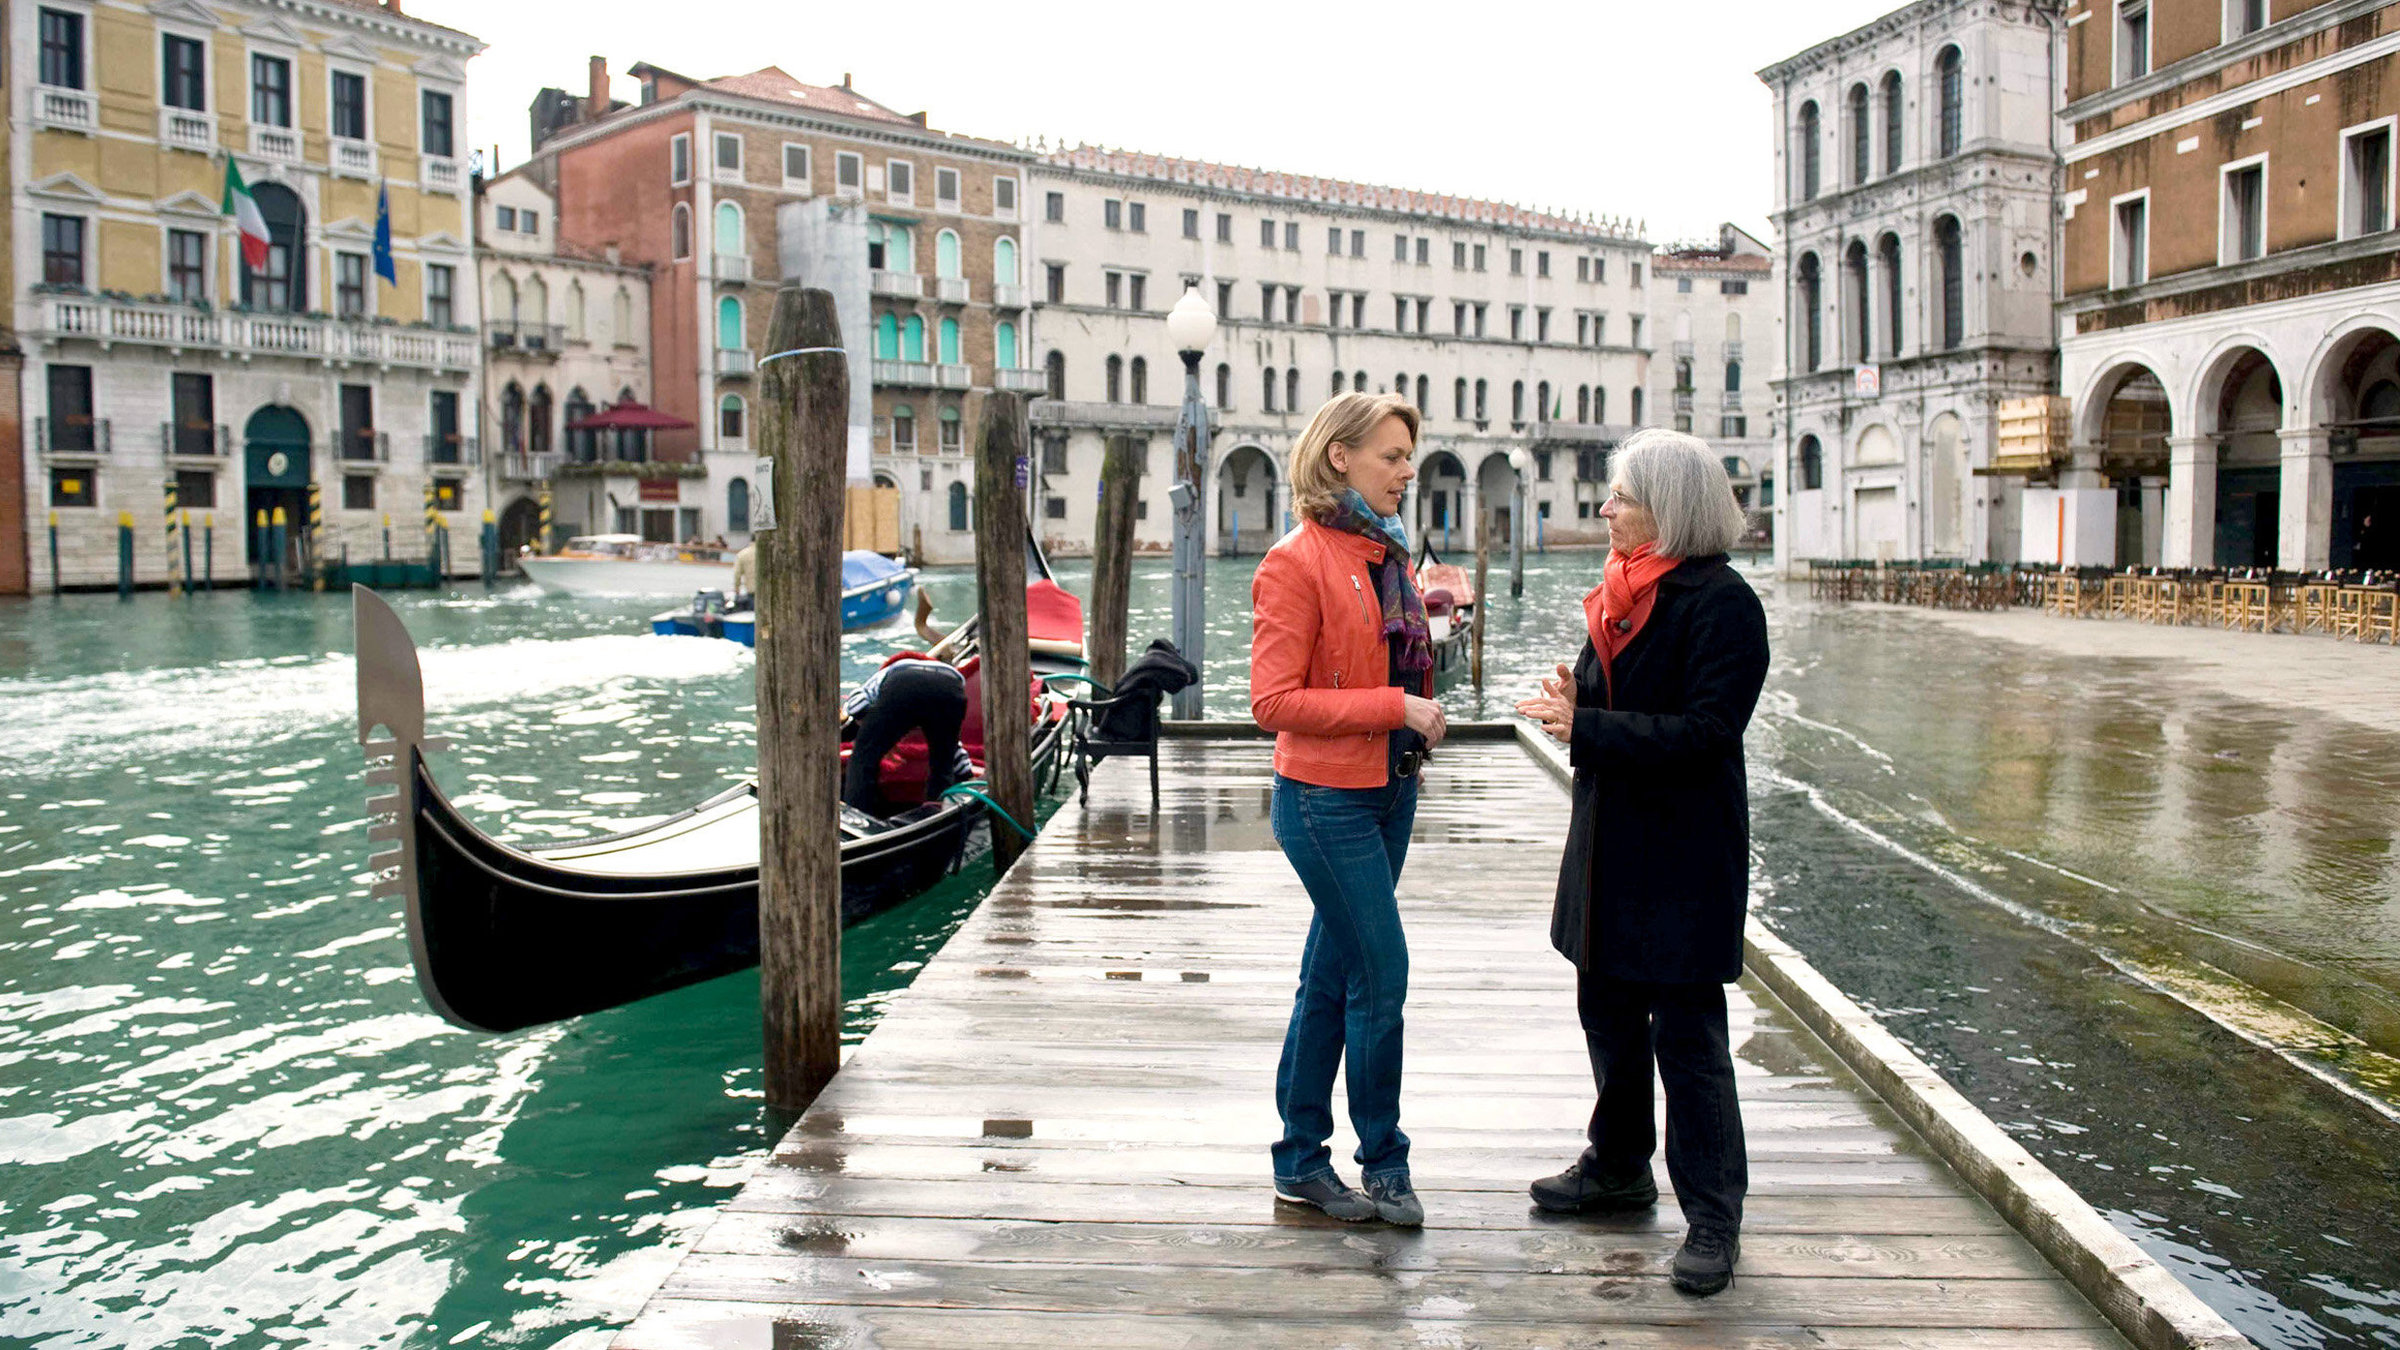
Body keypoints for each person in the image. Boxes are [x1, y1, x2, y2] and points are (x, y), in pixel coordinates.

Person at [1513, 429, 1768, 1296]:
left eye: (1619, 495)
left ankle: (1713, 1218)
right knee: (1609, 1014)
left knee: (1689, 1040)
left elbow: (1707, 734)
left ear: (1670, 506)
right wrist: (1582, 701)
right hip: (1609, 842)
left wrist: (1587, 727)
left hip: (1684, 856)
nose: (1605, 506)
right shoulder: (1620, 596)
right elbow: (1630, 709)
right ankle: (1619, 1166)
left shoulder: (1723, 604)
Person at [1250, 391, 1449, 1226]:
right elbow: (1271, 701)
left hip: (1388, 790)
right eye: (1393, 455)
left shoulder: (1386, 553)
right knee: (1380, 973)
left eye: (1409, 456)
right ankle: (1385, 1161)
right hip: (1325, 801)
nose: (1409, 471)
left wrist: (1407, 719)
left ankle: (1299, 1161)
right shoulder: (1294, 564)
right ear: (1342, 457)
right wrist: (1392, 707)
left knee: (1329, 979)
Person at [840, 657, 972, 814]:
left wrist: (868, 726)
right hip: (952, 688)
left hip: (903, 683)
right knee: (943, 764)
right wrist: (967, 775)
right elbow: (954, 749)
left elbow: (856, 705)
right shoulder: (948, 677)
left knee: (862, 759)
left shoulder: (880, 678)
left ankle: (857, 814)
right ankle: (935, 811)